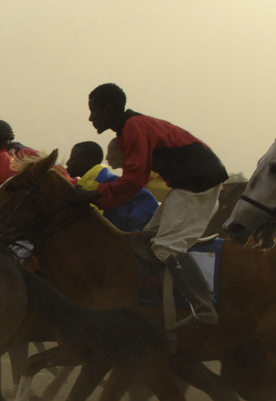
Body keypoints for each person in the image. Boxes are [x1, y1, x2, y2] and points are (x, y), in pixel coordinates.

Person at [74, 82, 227, 324]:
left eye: (94, 110)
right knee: (147, 239)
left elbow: (134, 181)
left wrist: (94, 195)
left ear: (109, 109)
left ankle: (203, 308)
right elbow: (133, 181)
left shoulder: (133, 127)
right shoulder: (129, 128)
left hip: (197, 184)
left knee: (166, 247)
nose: (91, 117)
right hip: (189, 183)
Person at [66, 140, 157, 232]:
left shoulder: (95, 185)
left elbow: (93, 228)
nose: (67, 163)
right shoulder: (101, 181)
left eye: (73, 159)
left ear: (88, 162)